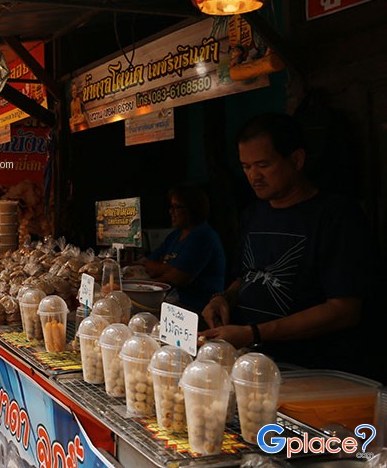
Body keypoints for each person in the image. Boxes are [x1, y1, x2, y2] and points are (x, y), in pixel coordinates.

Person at [200, 113, 381, 379]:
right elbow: (247, 277)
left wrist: (253, 333)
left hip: (311, 372)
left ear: (296, 160)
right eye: (246, 166)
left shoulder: (337, 216)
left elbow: (344, 310)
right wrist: (223, 298)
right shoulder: (252, 214)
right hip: (250, 364)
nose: (253, 176)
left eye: (263, 165)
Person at [142, 185, 225, 315]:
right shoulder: (175, 235)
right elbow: (149, 264)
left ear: (193, 208)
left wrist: (147, 284)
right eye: (171, 206)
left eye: (177, 207)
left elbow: (179, 278)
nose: (171, 211)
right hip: (174, 303)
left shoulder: (203, 236)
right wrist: (169, 269)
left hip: (198, 309)